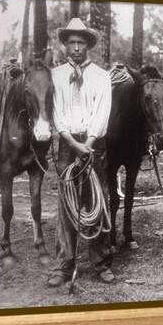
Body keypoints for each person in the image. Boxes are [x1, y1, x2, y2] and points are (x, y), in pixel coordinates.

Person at [47, 18, 115, 287]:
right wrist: (74, 145)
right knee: (67, 204)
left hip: (94, 143)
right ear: (65, 45)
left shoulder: (101, 76)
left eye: (81, 43)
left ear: (88, 46)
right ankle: (64, 265)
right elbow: (56, 113)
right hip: (67, 143)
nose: (76, 47)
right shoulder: (56, 75)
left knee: (97, 202)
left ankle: (100, 262)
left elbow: (102, 112)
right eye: (72, 42)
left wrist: (88, 144)